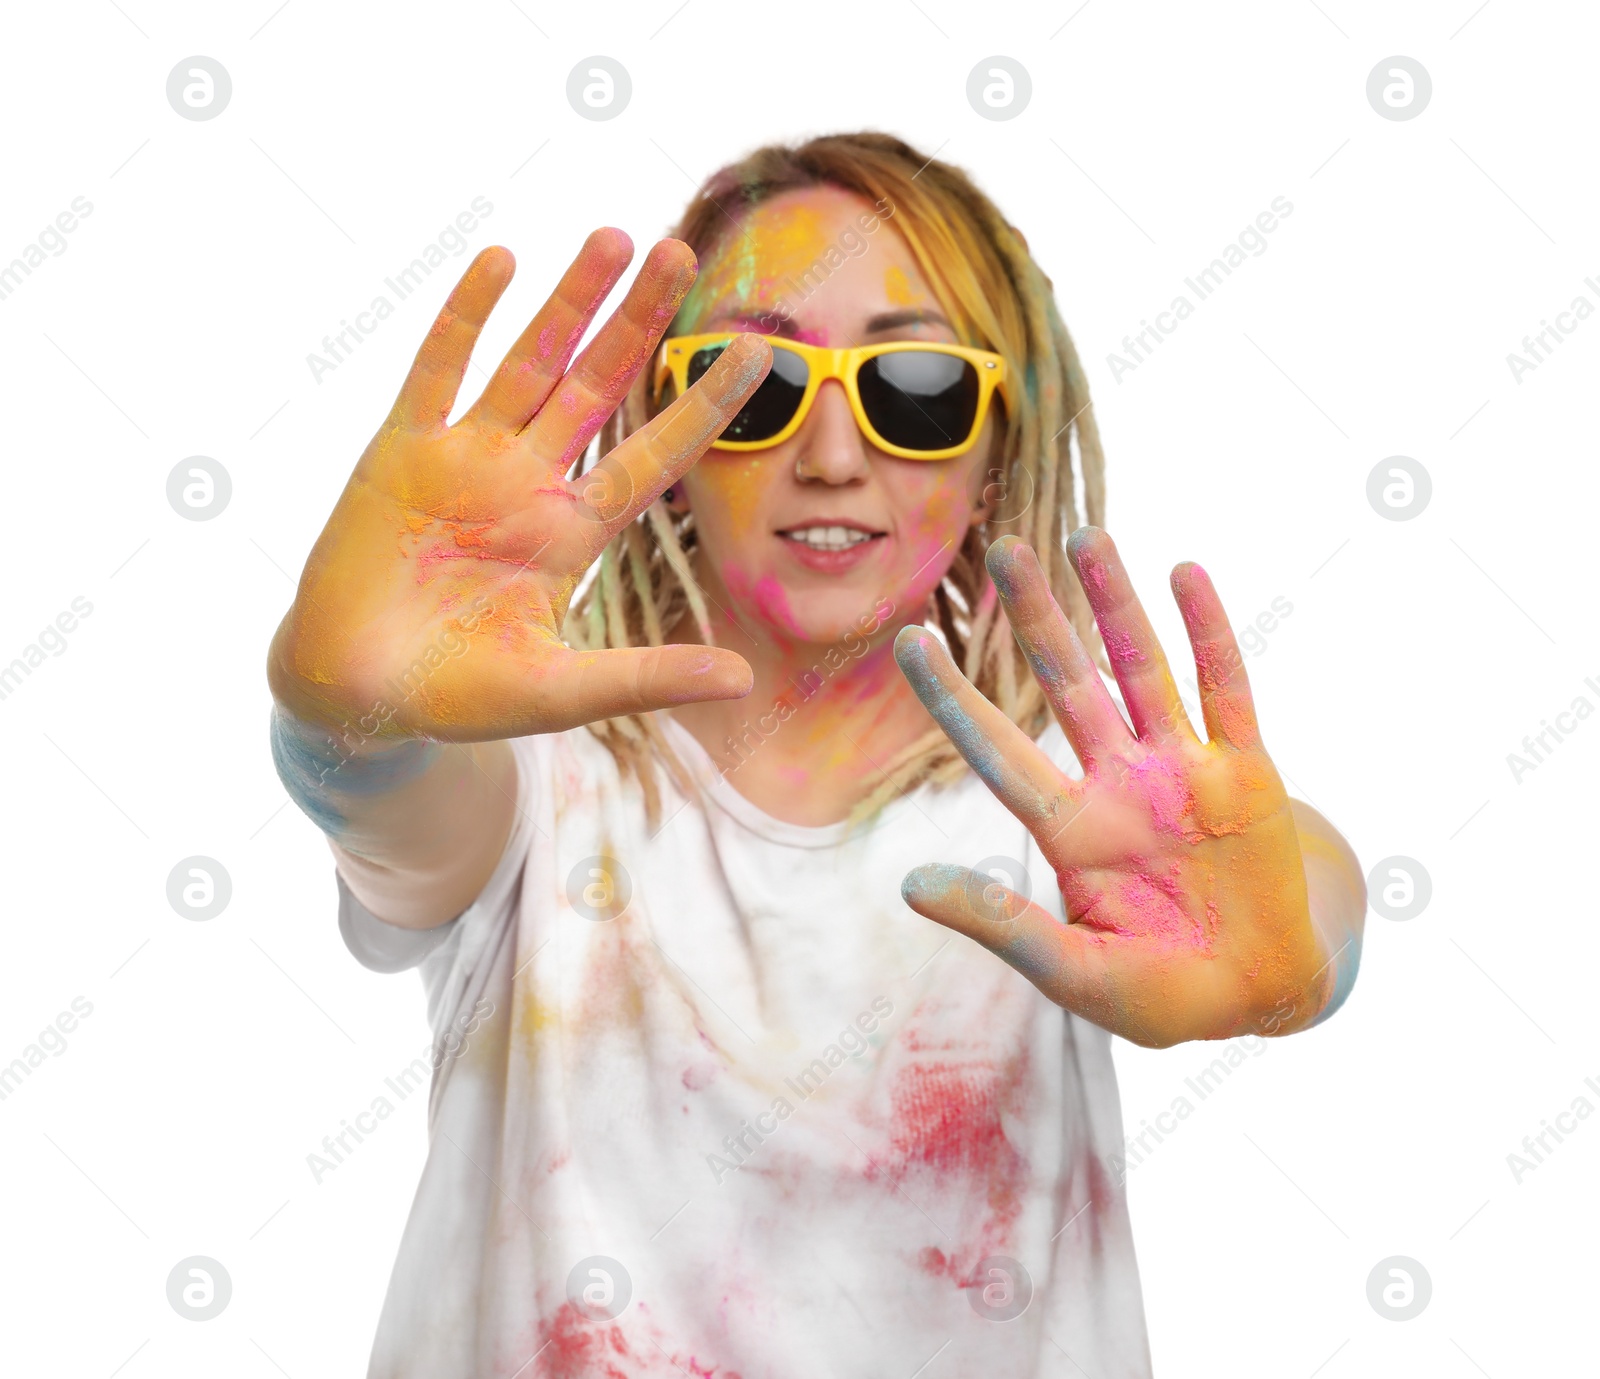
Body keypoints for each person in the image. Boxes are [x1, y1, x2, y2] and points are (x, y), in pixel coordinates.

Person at [267, 131, 1365, 1378]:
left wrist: (1289, 960)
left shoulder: (1072, 811)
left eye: (915, 385)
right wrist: (340, 697)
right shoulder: (537, 785)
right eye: (753, 381)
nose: (833, 453)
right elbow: (377, 799)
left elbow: (1295, 904)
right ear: (663, 447)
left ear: (997, 443)